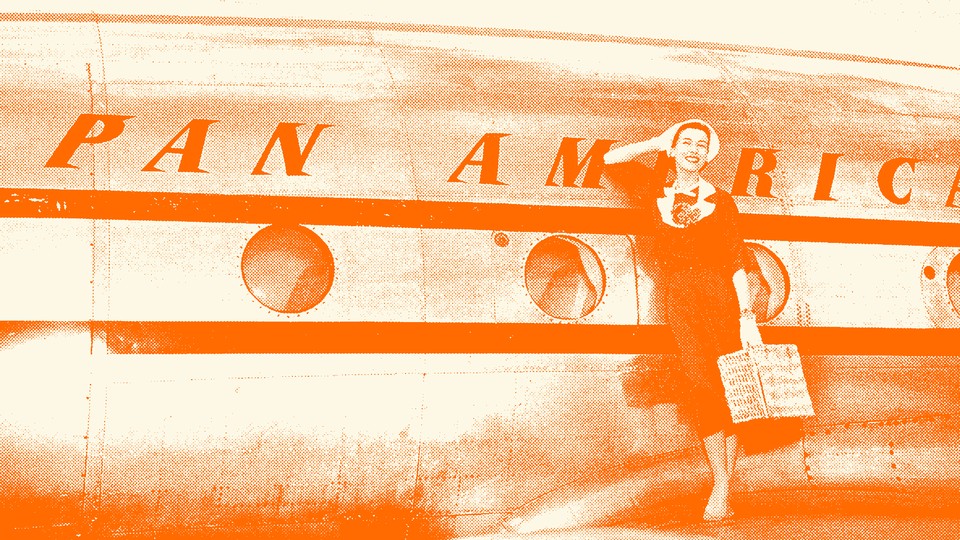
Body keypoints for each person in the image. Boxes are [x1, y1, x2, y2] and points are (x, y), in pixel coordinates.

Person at [604, 119, 763, 521]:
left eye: (700, 144)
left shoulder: (721, 201)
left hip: (721, 297)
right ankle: (723, 482)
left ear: (708, 154)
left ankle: (721, 487)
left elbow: (736, 260)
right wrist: (657, 141)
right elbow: (609, 159)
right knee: (701, 385)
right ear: (674, 150)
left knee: (728, 388)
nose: (693, 149)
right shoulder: (654, 191)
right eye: (685, 142)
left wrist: (747, 316)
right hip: (681, 300)